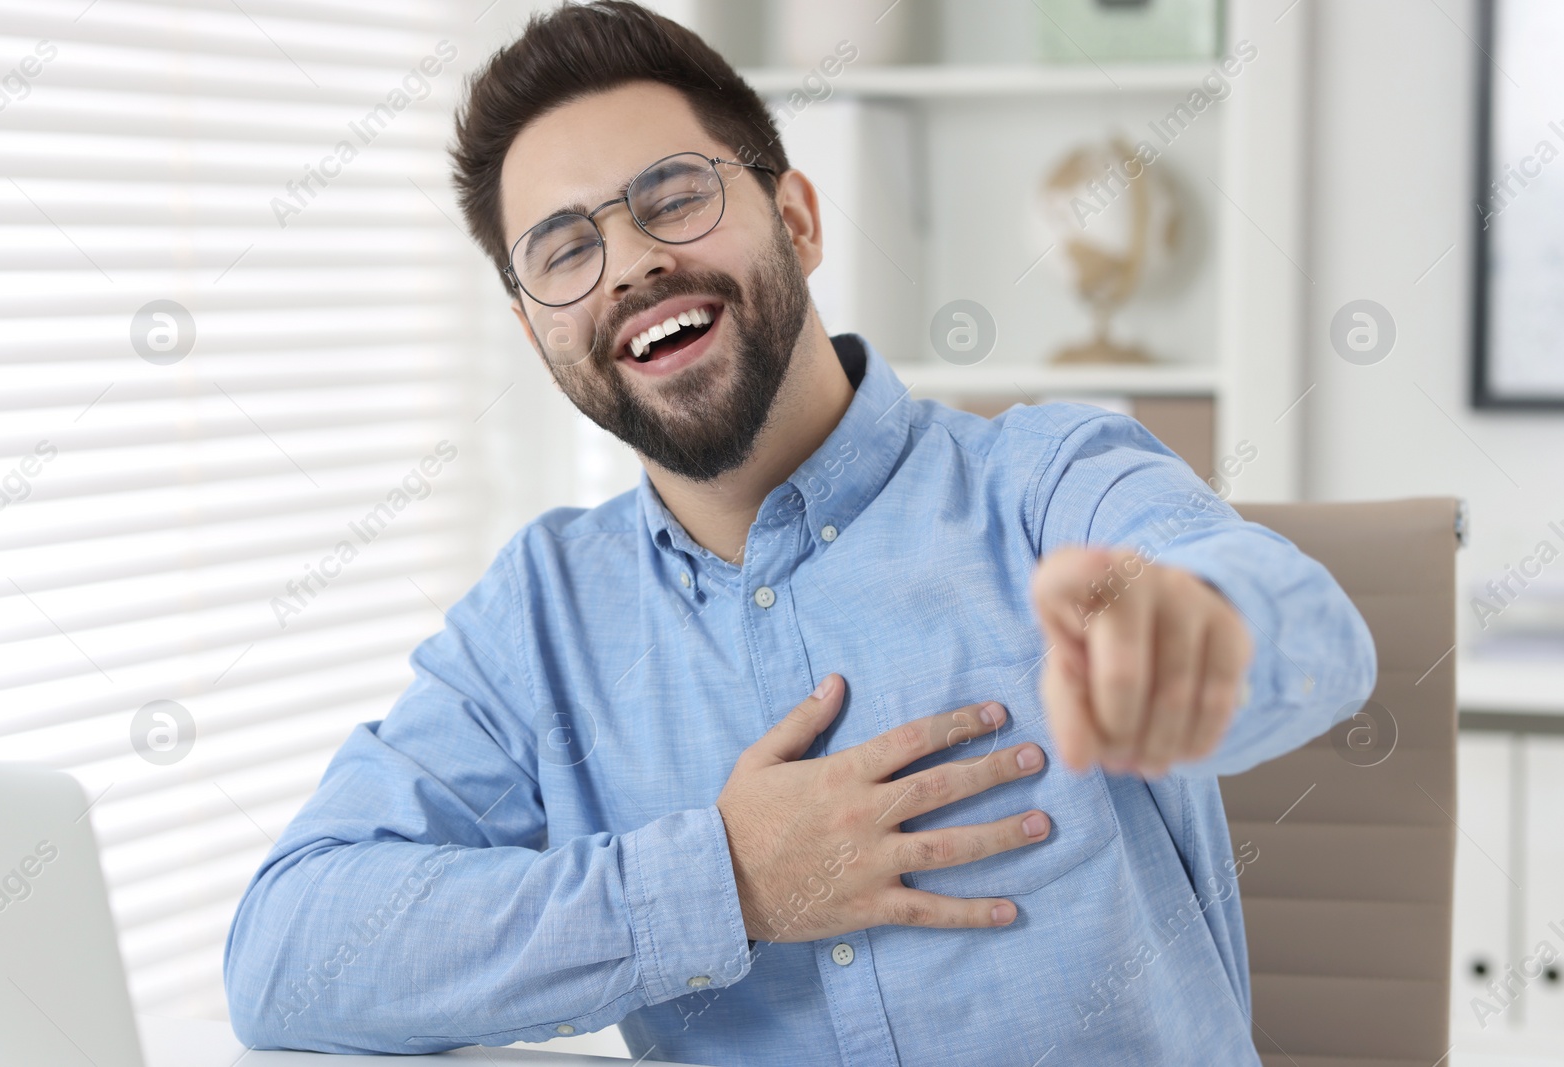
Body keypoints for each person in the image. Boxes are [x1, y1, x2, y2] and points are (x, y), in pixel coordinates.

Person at [223, 3, 1376, 1063]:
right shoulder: (542, 617)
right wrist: (721, 882)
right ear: (538, 335)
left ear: (797, 218)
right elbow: (289, 953)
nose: (629, 262)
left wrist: (1204, 638)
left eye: (672, 195)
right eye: (566, 249)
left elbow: (1307, 630)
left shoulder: (1041, 478)